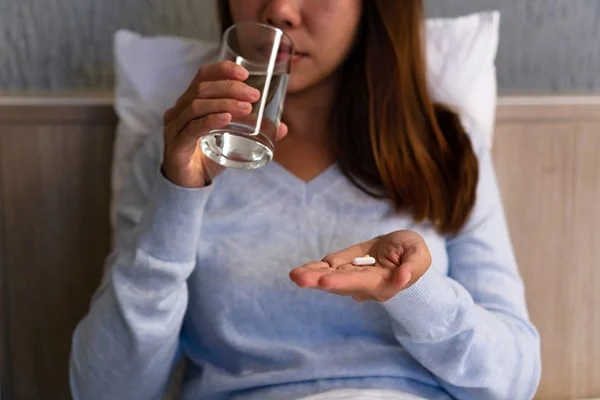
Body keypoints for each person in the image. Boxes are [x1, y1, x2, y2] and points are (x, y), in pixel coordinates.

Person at [69, 1, 542, 399]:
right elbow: (106, 389)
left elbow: (514, 378)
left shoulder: (441, 150)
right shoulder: (174, 152)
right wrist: (178, 197)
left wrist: (413, 289)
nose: (280, 9)